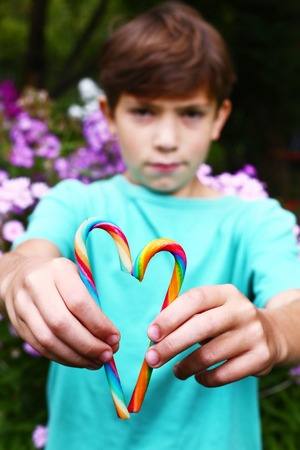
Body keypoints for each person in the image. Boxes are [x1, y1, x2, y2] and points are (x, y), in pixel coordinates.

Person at [1, 2, 300, 449]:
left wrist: (273, 332)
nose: (166, 138)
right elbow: (23, 259)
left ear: (219, 117)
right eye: (144, 111)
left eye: (191, 113)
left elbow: (293, 305)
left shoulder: (255, 221)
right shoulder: (76, 203)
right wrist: (20, 277)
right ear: (108, 115)